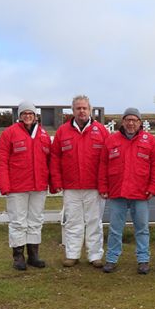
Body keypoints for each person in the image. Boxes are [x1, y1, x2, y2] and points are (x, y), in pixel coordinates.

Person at [98, 108, 155, 274]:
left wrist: (153, 187)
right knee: (115, 228)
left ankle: (143, 259)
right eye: (128, 120)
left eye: (134, 120)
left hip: (140, 193)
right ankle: (112, 259)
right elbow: (103, 165)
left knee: (142, 228)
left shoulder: (149, 141)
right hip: (117, 192)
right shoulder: (112, 140)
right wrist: (103, 187)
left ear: (140, 123)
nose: (131, 123)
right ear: (123, 121)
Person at [50, 95, 109, 268]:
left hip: (94, 186)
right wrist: (57, 180)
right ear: (73, 110)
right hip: (71, 186)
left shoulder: (101, 131)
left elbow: (108, 160)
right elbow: (55, 158)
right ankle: (72, 254)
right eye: (78, 108)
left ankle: (95, 255)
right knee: (73, 221)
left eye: (84, 108)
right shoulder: (63, 131)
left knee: (94, 221)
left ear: (90, 110)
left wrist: (104, 184)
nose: (81, 111)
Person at [0, 101, 52, 271]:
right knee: (18, 221)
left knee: (35, 220)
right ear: (19, 116)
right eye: (24, 113)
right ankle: (18, 256)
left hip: (38, 185)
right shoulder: (9, 133)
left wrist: (51, 182)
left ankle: (33, 255)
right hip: (17, 186)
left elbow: (50, 160)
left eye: (31, 113)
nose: (28, 116)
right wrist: (4, 185)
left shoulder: (43, 134)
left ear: (35, 116)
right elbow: (1, 161)